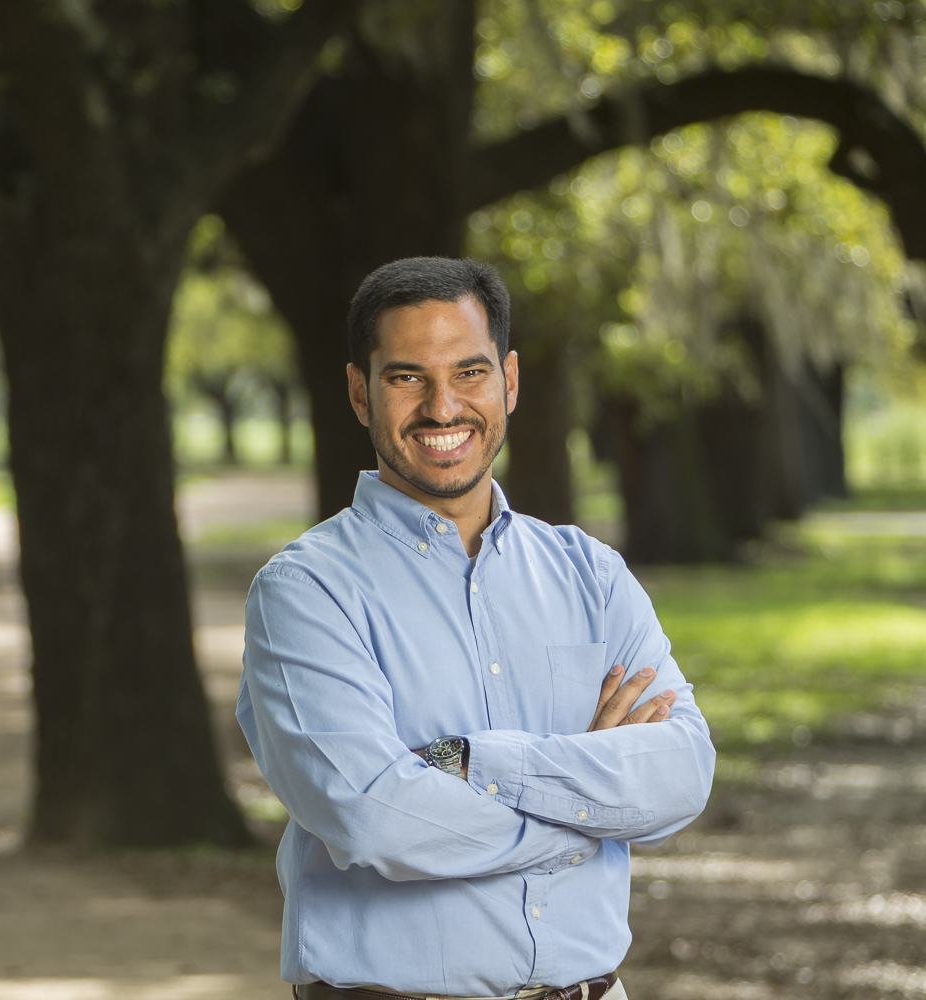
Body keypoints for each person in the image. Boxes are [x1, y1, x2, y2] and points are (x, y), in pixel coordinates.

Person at [236, 256, 715, 1000]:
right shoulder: (306, 594)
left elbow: (682, 771)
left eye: (469, 372)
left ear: (509, 381)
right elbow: (373, 817)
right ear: (360, 392)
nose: (442, 407)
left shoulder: (590, 574)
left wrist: (472, 762)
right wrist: (591, 815)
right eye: (406, 377)